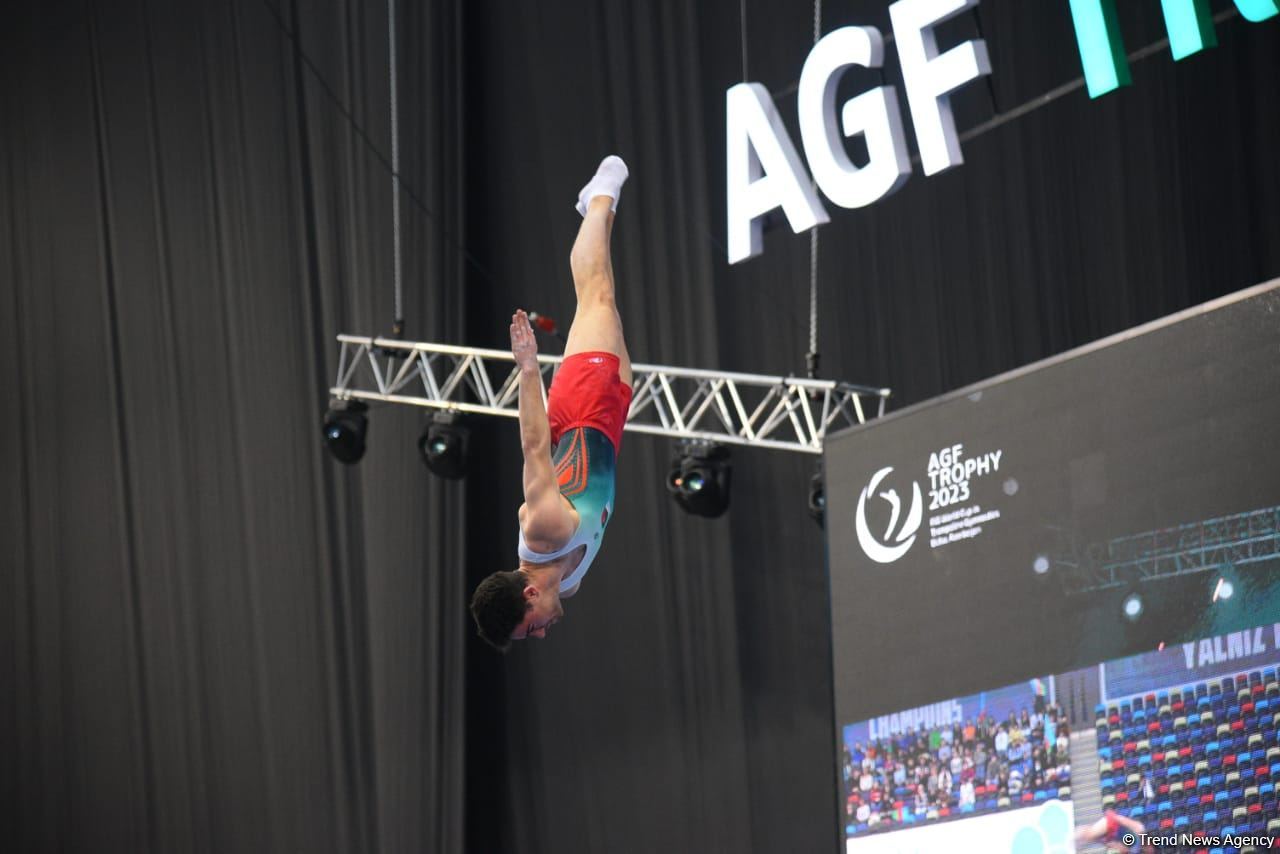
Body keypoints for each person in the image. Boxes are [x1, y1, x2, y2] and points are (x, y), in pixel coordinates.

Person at [469, 156, 634, 650]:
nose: (540, 632)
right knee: (600, 301)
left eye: (530, 625)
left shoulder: (544, 529)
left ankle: (600, 194)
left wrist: (527, 368)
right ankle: (596, 206)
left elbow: (533, 444)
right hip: (605, 426)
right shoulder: (568, 580)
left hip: (582, 410)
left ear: (528, 591)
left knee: (597, 297)